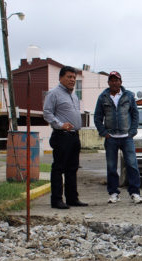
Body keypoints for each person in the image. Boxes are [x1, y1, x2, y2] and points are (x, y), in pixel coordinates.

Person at [94, 71, 142, 204]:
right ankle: (114, 193)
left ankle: (135, 193)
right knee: (111, 166)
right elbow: (97, 117)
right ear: (108, 82)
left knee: (132, 165)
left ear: (121, 82)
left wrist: (132, 131)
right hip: (111, 138)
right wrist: (104, 133)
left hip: (127, 137)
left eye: (117, 80)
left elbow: (135, 114)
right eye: (112, 80)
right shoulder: (103, 97)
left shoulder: (128, 96)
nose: (114, 82)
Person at [43, 66, 88, 209]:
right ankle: (56, 200)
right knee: (59, 168)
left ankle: (72, 198)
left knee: (72, 168)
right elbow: (47, 113)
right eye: (69, 77)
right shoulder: (54, 94)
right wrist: (60, 125)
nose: (72, 80)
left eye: (74, 78)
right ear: (61, 78)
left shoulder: (74, 96)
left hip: (74, 136)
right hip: (62, 136)